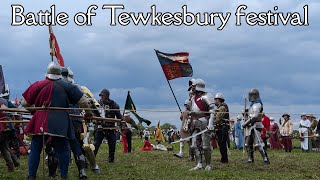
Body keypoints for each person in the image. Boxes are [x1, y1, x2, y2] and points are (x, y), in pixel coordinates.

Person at [21, 62, 92, 180]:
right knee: (63, 149)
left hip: (40, 122)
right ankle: (64, 176)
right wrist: (88, 113)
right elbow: (84, 102)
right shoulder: (68, 86)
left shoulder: (37, 84)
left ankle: (31, 176)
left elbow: (24, 103)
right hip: (60, 123)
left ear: (47, 73)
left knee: (35, 148)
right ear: (60, 74)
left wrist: (35, 110)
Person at [189, 79, 215, 171]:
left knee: (205, 146)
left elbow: (212, 111)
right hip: (195, 123)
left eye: (193, 86)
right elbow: (192, 112)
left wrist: (211, 123)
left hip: (205, 122)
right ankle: (199, 164)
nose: (191, 88)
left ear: (197, 86)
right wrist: (190, 117)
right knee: (193, 145)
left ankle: (208, 164)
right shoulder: (193, 98)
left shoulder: (207, 96)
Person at [94, 89, 122, 163]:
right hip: (100, 128)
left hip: (111, 128)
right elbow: (94, 115)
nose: (101, 97)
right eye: (101, 95)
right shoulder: (97, 104)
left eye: (103, 95)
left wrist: (122, 121)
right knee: (95, 145)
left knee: (112, 145)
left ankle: (111, 159)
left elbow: (119, 117)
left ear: (107, 95)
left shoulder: (114, 105)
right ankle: (92, 160)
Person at [243, 88, 270, 164]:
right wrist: (245, 113)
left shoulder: (257, 104)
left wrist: (245, 124)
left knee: (258, 144)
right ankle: (250, 159)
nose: (249, 96)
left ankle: (265, 159)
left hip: (256, 125)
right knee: (247, 144)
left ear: (254, 95)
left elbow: (254, 116)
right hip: (250, 126)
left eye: (251, 95)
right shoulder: (252, 105)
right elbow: (249, 116)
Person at [0, 94, 20, 172]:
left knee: (4, 148)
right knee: (4, 146)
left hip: (2, 127)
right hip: (8, 126)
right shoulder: (5, 101)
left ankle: (11, 166)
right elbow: (15, 108)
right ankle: (15, 161)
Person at [214, 92, 230, 163]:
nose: (215, 101)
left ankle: (224, 159)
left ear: (219, 100)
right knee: (221, 144)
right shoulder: (219, 107)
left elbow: (218, 118)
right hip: (220, 128)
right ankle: (223, 158)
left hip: (223, 128)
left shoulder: (222, 107)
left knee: (222, 144)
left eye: (216, 99)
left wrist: (212, 123)